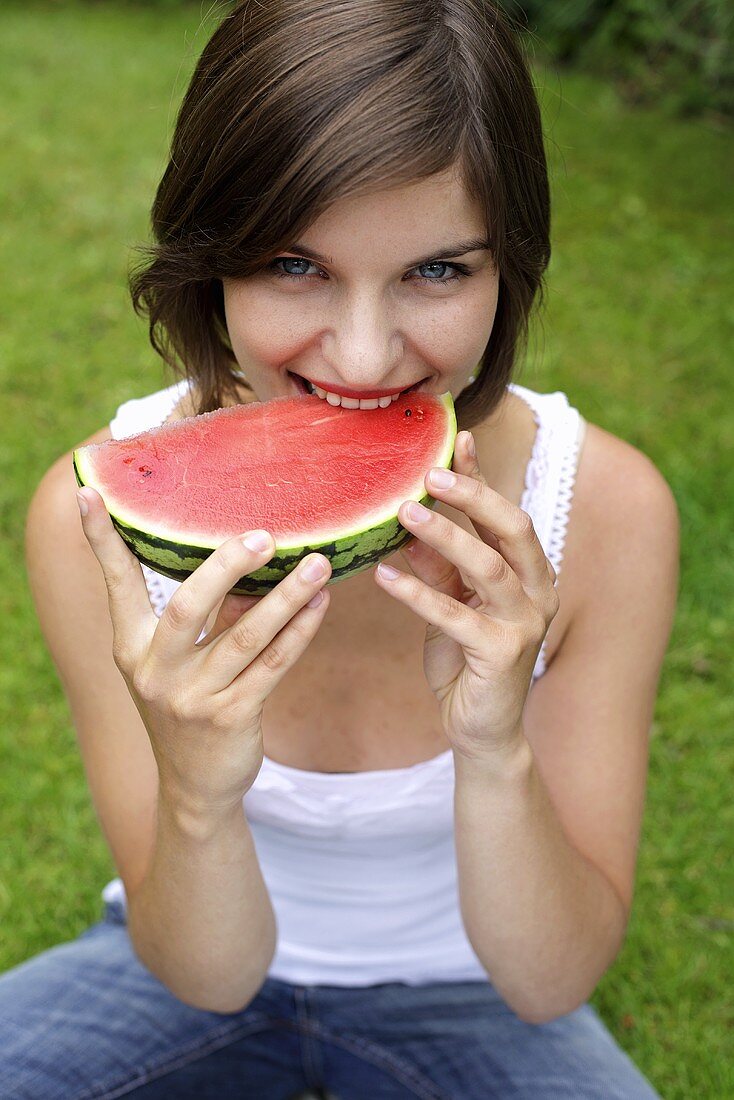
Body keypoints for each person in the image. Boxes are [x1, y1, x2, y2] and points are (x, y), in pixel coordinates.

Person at [1, 1, 679, 1097]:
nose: (364, 355)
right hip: (174, 960)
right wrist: (198, 792)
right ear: (207, 256)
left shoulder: (602, 510)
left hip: (476, 987)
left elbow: (550, 979)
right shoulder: (96, 521)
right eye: (292, 263)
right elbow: (203, 976)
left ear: (507, 268)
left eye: (437, 272)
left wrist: (495, 744)